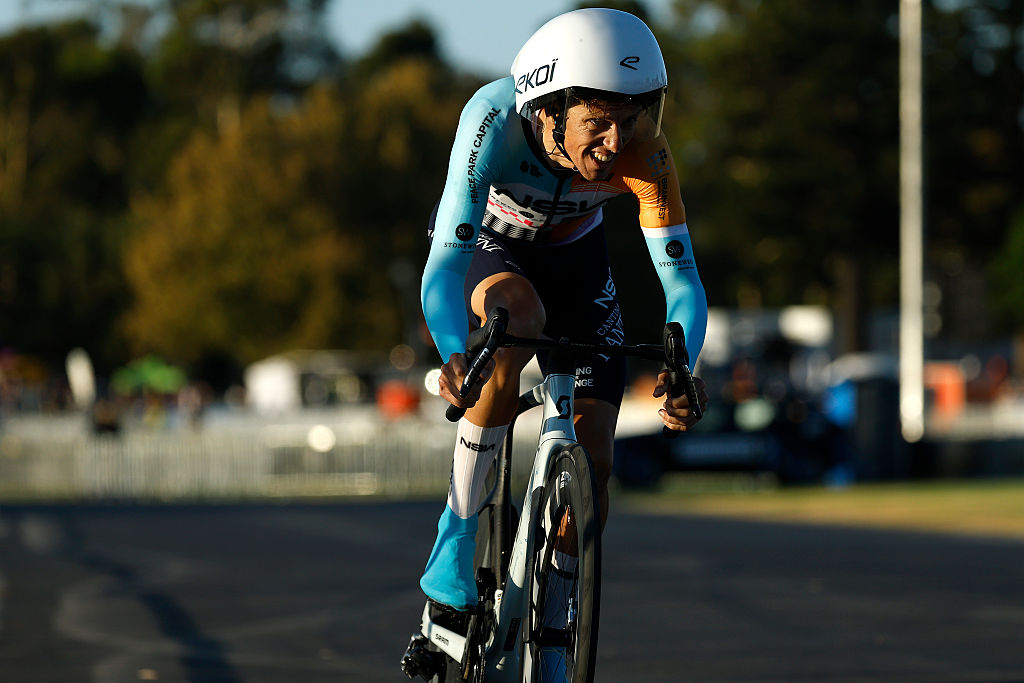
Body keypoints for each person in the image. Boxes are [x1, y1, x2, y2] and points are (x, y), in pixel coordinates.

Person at [419, 8, 708, 619]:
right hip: (493, 251)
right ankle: (457, 533)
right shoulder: (492, 122)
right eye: (597, 123)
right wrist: (453, 350)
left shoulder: (645, 153)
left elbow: (680, 279)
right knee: (518, 316)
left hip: (578, 264)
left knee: (597, 461)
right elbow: (445, 265)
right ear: (547, 108)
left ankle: (554, 621)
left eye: (630, 122)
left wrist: (683, 362)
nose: (614, 145)